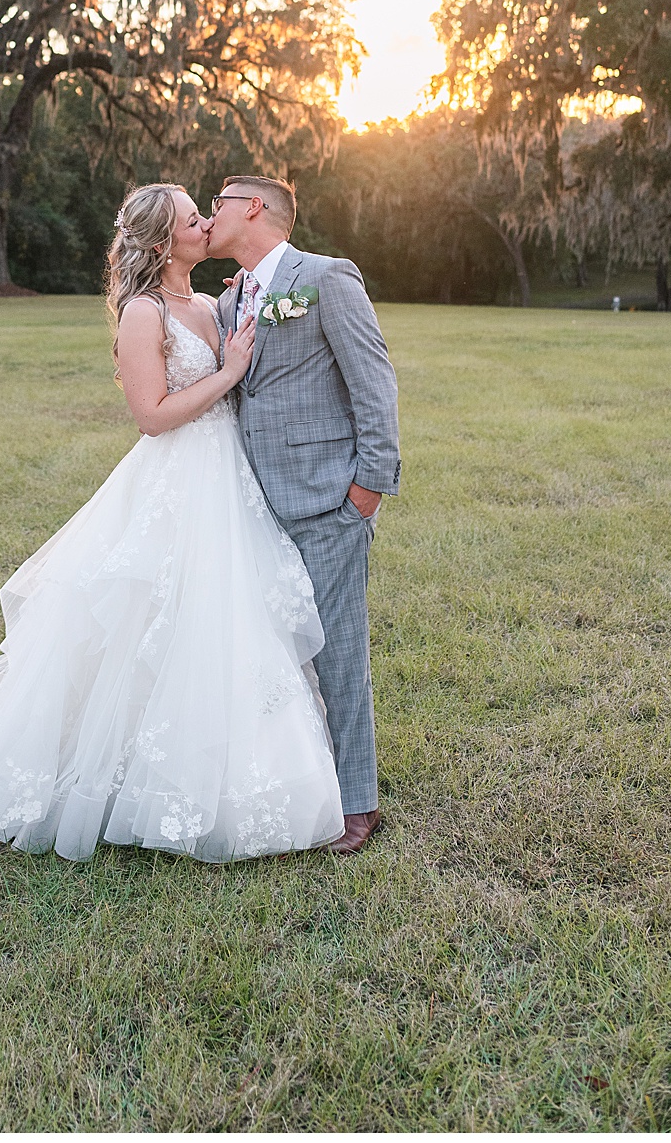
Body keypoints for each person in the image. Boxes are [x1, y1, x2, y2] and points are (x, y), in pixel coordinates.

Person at [0, 183, 346, 862]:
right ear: (164, 242)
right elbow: (152, 415)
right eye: (194, 219)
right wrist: (227, 373)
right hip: (176, 480)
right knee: (156, 623)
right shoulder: (144, 313)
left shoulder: (209, 303)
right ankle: (131, 777)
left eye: (205, 213)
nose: (206, 224)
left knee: (229, 622)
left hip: (229, 479)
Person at [206, 174, 401, 855]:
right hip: (255, 506)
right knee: (274, 653)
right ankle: (295, 778)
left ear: (253, 208)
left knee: (337, 651)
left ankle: (357, 803)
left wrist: (366, 492)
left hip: (327, 502)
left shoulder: (326, 278)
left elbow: (375, 384)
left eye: (218, 204)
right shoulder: (234, 300)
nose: (209, 216)